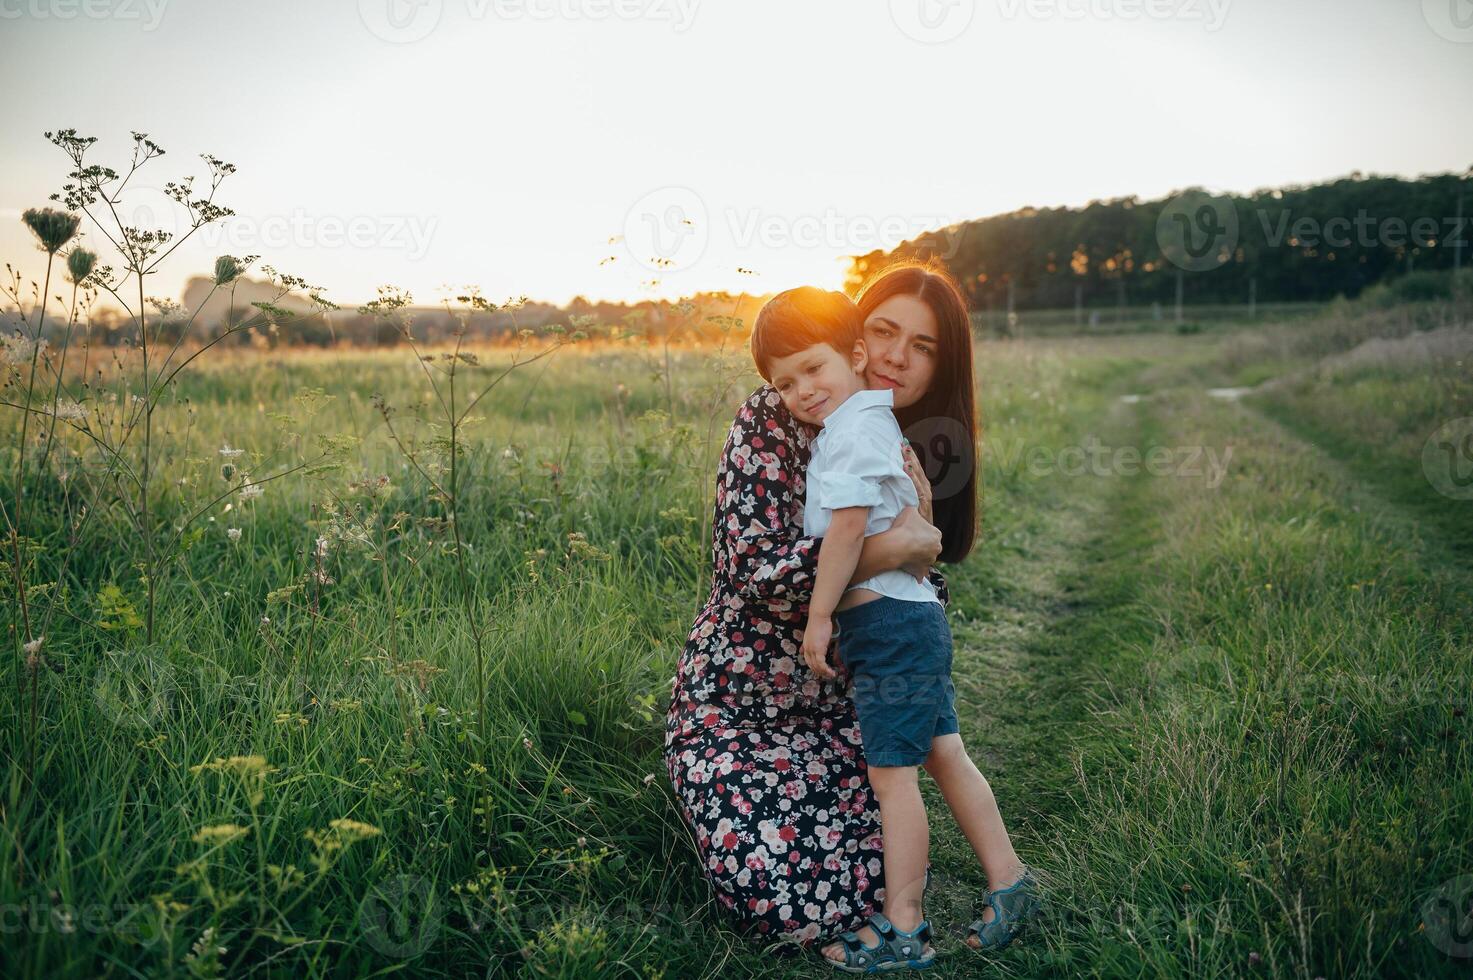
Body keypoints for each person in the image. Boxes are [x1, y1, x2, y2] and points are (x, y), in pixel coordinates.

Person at [750, 286, 1037, 971]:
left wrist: (818, 616)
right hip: (909, 618)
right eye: (785, 384)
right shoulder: (870, 421)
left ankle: (903, 923)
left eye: (812, 371)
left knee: (892, 780)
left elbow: (848, 528)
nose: (800, 392)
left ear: (847, 355)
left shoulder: (852, 429)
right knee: (944, 754)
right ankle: (1010, 880)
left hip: (883, 623)